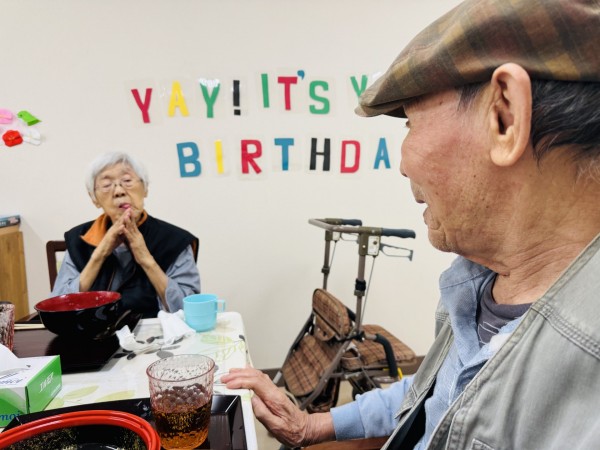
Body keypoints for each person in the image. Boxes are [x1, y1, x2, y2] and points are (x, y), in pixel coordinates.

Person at [222, 0, 600, 448]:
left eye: (410, 125)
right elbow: (437, 392)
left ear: (505, 115)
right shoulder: (479, 283)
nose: (402, 165)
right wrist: (312, 426)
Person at [51, 152, 201, 318]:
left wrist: (146, 259)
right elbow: (58, 308)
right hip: (95, 332)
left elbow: (190, 310)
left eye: (127, 181)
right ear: (94, 198)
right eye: (107, 185)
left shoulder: (174, 240)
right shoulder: (80, 239)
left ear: (145, 189)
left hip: (156, 332)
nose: (119, 191)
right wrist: (99, 255)